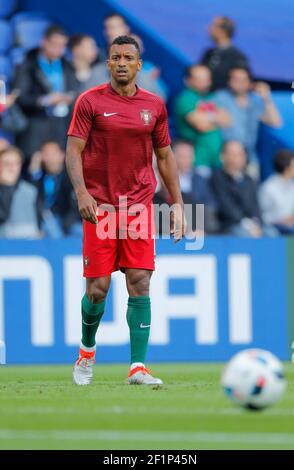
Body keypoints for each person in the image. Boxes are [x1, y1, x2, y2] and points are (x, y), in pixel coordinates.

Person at [66, 35, 185, 386]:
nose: (121, 62)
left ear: (138, 65)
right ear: (107, 63)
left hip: (137, 207)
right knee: (98, 289)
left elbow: (164, 156)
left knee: (140, 281)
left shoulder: (155, 105)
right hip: (100, 206)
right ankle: (87, 352)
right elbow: (73, 151)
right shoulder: (89, 101)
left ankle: (137, 367)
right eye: (115, 56)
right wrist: (81, 193)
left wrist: (177, 204)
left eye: (127, 57)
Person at [13, 25, 78, 159]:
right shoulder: (27, 64)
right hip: (35, 127)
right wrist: (45, 100)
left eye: (62, 46)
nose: (59, 50)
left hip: (60, 126)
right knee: (33, 168)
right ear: (44, 42)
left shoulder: (66, 64)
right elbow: (21, 97)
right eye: (55, 45)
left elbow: (74, 88)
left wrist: (68, 97)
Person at [216, 67, 282, 170]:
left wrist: (266, 98)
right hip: (226, 159)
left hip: (250, 158)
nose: (240, 83)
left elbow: (276, 122)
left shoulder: (255, 101)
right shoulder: (220, 98)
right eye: (236, 79)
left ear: (250, 83)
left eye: (243, 80)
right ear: (229, 81)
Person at [174, 64, 230, 172]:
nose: (204, 82)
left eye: (206, 78)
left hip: (217, 160)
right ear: (188, 80)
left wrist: (207, 118)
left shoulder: (211, 97)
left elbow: (227, 120)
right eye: (198, 78)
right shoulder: (185, 98)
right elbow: (202, 126)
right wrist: (216, 117)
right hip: (197, 161)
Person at [211, 140, 263, 237]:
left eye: (241, 154)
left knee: (271, 233)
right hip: (228, 225)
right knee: (244, 234)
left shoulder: (249, 180)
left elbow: (255, 206)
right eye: (234, 154)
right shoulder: (217, 178)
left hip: (251, 224)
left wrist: (256, 222)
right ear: (223, 156)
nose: (238, 158)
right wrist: (246, 224)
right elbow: (225, 205)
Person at [27, 141, 65, 238]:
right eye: (45, 154)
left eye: (53, 153)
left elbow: (72, 208)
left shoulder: (70, 177)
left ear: (62, 155)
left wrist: (65, 226)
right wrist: (34, 168)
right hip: (42, 221)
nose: (49, 158)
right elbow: (30, 195)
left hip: (63, 221)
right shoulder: (39, 177)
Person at [200, 16, 249, 90]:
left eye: (213, 26)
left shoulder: (237, 57)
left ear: (223, 31)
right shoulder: (208, 53)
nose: (208, 29)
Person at [0, 146, 39, 238]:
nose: (11, 167)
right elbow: (2, 216)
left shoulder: (31, 190)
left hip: (29, 246)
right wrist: (7, 186)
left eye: (15, 163)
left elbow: (39, 220)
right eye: (6, 163)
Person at [259, 149, 294, 234]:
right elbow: (261, 215)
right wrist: (280, 221)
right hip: (272, 227)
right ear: (286, 168)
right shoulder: (268, 187)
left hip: (290, 226)